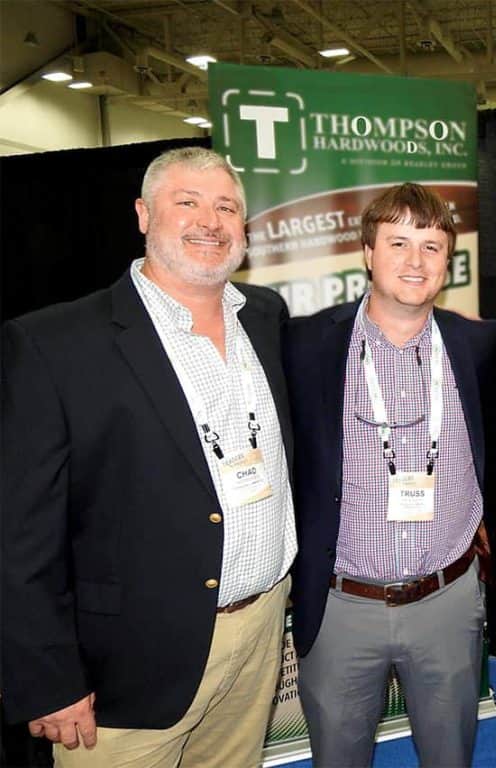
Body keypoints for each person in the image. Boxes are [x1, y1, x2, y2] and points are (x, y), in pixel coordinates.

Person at [1, 146, 295, 767]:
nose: (209, 222)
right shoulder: (55, 344)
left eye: (226, 207)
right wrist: (48, 677)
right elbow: (19, 533)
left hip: (260, 629)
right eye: (186, 202)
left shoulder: (265, 317)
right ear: (142, 214)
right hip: (128, 670)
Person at [284, 183, 496, 767]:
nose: (415, 261)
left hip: (446, 602)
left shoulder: (479, 343)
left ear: (448, 260)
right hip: (340, 607)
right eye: (399, 242)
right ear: (367, 252)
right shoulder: (306, 345)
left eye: (431, 246)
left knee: (450, 758)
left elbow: (495, 452)